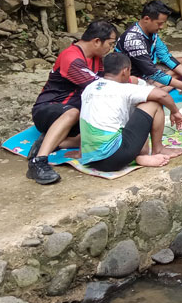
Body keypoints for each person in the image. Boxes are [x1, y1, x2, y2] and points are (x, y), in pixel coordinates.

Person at [27, 20, 117, 185]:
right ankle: (38, 161)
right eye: (110, 44)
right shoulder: (71, 57)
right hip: (49, 110)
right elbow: (99, 87)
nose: (110, 48)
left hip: (76, 112)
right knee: (73, 113)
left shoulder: (97, 58)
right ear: (97, 41)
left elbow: (110, 81)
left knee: (105, 134)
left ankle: (54, 142)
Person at [78, 53, 182, 171]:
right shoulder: (123, 88)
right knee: (153, 102)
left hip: (92, 160)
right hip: (117, 157)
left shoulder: (90, 88)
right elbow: (162, 95)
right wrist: (175, 111)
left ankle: (139, 157)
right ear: (125, 71)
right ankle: (157, 149)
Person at [116, 0, 182, 98]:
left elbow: (165, 56)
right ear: (147, 19)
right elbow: (151, 72)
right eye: (159, 23)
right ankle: (156, 91)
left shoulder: (152, 33)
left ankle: (157, 89)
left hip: (149, 72)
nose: (162, 27)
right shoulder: (134, 39)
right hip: (136, 77)